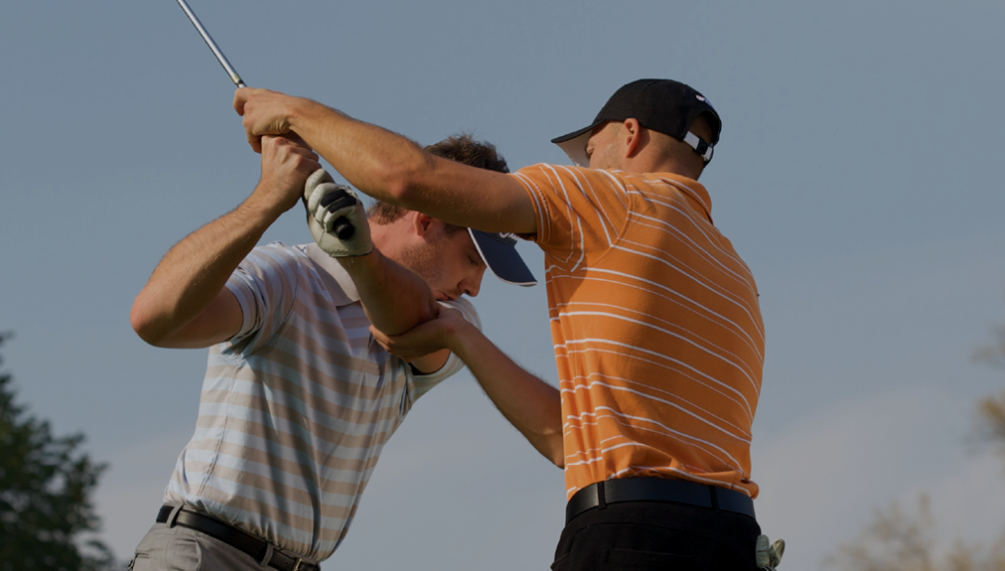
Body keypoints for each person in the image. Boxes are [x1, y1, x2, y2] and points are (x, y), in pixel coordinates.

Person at [234, 78, 778, 570]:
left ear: (629, 136)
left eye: (591, 151)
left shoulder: (606, 197)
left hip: (631, 534)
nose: (587, 165)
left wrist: (292, 111)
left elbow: (406, 179)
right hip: (735, 538)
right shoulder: (736, 273)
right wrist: (461, 336)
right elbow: (570, 443)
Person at [127, 133, 536, 571]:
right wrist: (266, 199)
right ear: (426, 221)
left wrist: (359, 255)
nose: (475, 285)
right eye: (473, 259)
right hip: (205, 553)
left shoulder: (453, 321)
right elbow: (154, 319)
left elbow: (403, 322)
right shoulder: (286, 276)